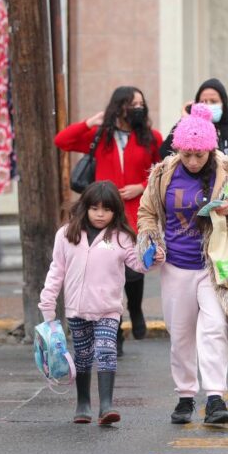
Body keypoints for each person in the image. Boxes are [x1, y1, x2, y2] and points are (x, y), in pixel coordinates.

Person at [139, 104, 228, 425]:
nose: (192, 161)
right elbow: (147, 212)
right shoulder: (163, 173)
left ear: (210, 149)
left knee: (215, 328)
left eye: (199, 155)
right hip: (175, 266)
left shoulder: (226, 170)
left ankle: (216, 397)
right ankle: (185, 396)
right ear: (178, 149)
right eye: (187, 154)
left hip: (213, 266)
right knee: (180, 335)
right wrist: (151, 241)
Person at [39, 181, 163, 426]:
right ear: (85, 207)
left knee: (106, 351)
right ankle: (83, 404)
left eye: (106, 209)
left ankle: (106, 406)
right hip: (77, 308)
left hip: (108, 308)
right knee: (83, 356)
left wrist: (154, 258)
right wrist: (47, 303)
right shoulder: (66, 235)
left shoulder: (122, 237)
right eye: (95, 208)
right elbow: (57, 270)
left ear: (115, 211)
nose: (100, 214)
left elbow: (137, 265)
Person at [54, 87, 163, 354]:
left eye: (141, 103)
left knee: (133, 268)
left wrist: (141, 185)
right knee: (108, 270)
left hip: (137, 210)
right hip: (105, 212)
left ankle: (135, 308)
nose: (137, 108)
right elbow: (62, 141)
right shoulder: (101, 135)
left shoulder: (151, 137)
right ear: (119, 107)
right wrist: (89, 123)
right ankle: (115, 331)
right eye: (131, 104)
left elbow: (163, 170)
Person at [159, 78, 228, 206]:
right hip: (199, 206)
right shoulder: (191, 131)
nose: (208, 105)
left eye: (214, 101)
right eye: (203, 102)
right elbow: (165, 154)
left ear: (224, 103)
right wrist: (185, 121)